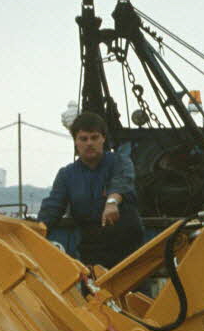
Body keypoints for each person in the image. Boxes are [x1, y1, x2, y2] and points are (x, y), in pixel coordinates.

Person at [38, 111, 146, 268]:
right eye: (83, 138)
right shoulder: (66, 175)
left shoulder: (120, 162)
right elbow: (53, 206)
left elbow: (122, 182)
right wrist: (38, 229)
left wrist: (111, 202)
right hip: (91, 252)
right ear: (76, 141)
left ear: (103, 139)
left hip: (129, 251)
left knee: (136, 292)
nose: (89, 143)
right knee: (94, 291)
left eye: (94, 137)